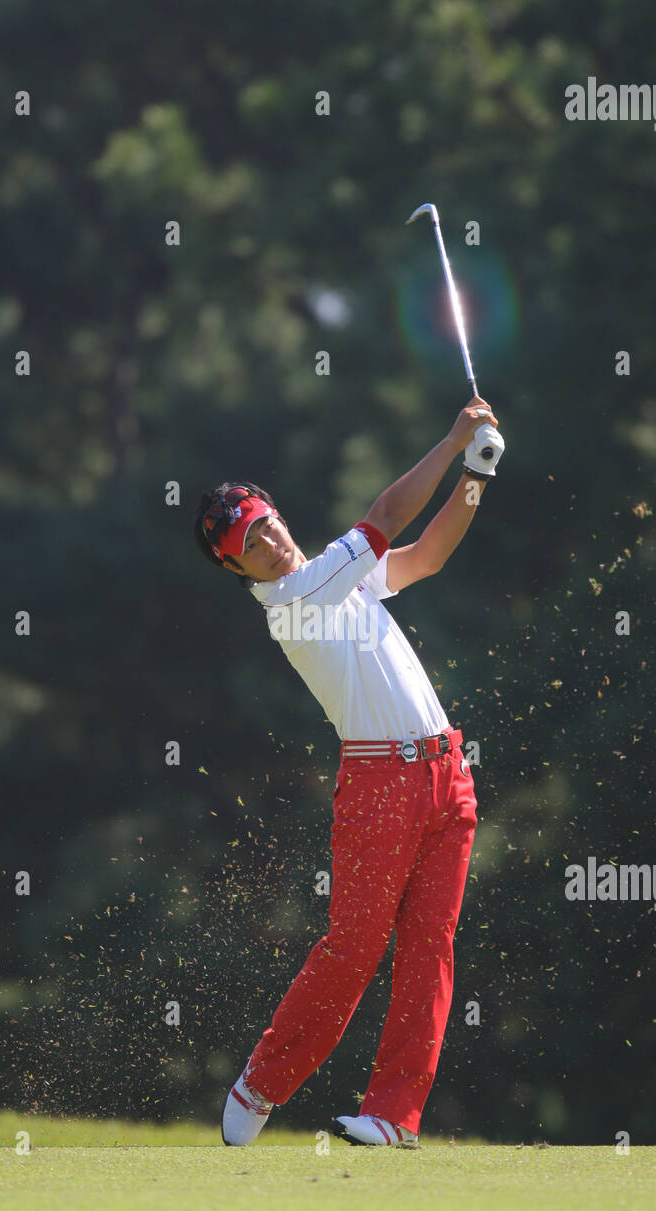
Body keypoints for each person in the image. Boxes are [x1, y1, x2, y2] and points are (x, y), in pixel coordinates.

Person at [193, 398, 504, 1146]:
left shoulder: (343, 579)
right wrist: (454, 436)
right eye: (247, 541)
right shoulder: (293, 600)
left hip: (446, 774)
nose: (266, 539)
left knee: (431, 949)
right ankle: (261, 1083)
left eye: (265, 522)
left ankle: (392, 1116)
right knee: (354, 947)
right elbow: (387, 516)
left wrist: (476, 474)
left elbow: (425, 555)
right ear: (234, 566)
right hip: (377, 785)